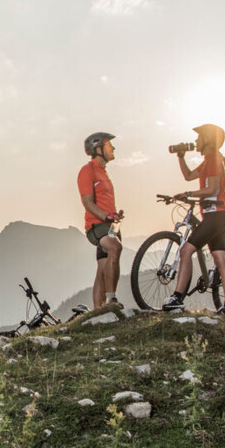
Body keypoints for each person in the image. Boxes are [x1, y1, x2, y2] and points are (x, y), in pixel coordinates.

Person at [162, 123, 225, 314]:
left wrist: (189, 193)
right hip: (218, 215)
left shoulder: (212, 159)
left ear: (208, 139)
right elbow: (188, 176)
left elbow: (211, 189)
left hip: (214, 215)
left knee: (186, 250)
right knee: (220, 258)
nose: (195, 141)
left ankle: (178, 296)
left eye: (199, 137)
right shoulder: (208, 161)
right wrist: (181, 157)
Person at [78, 132, 125, 314]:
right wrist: (105, 217)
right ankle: (112, 299)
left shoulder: (103, 172)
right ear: (98, 149)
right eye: (109, 145)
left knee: (103, 266)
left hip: (109, 225)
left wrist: (113, 215)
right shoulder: (87, 171)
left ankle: (98, 311)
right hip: (97, 226)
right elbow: (88, 202)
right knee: (115, 248)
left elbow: (103, 201)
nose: (112, 148)